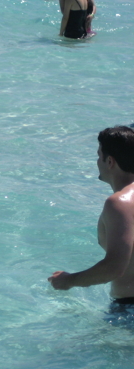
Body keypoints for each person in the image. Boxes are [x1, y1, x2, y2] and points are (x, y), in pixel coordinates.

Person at [49, 126, 134, 316]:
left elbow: (114, 267)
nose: (97, 162)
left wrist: (68, 281)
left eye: (99, 156)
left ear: (110, 161)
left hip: (130, 309)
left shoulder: (119, 203)